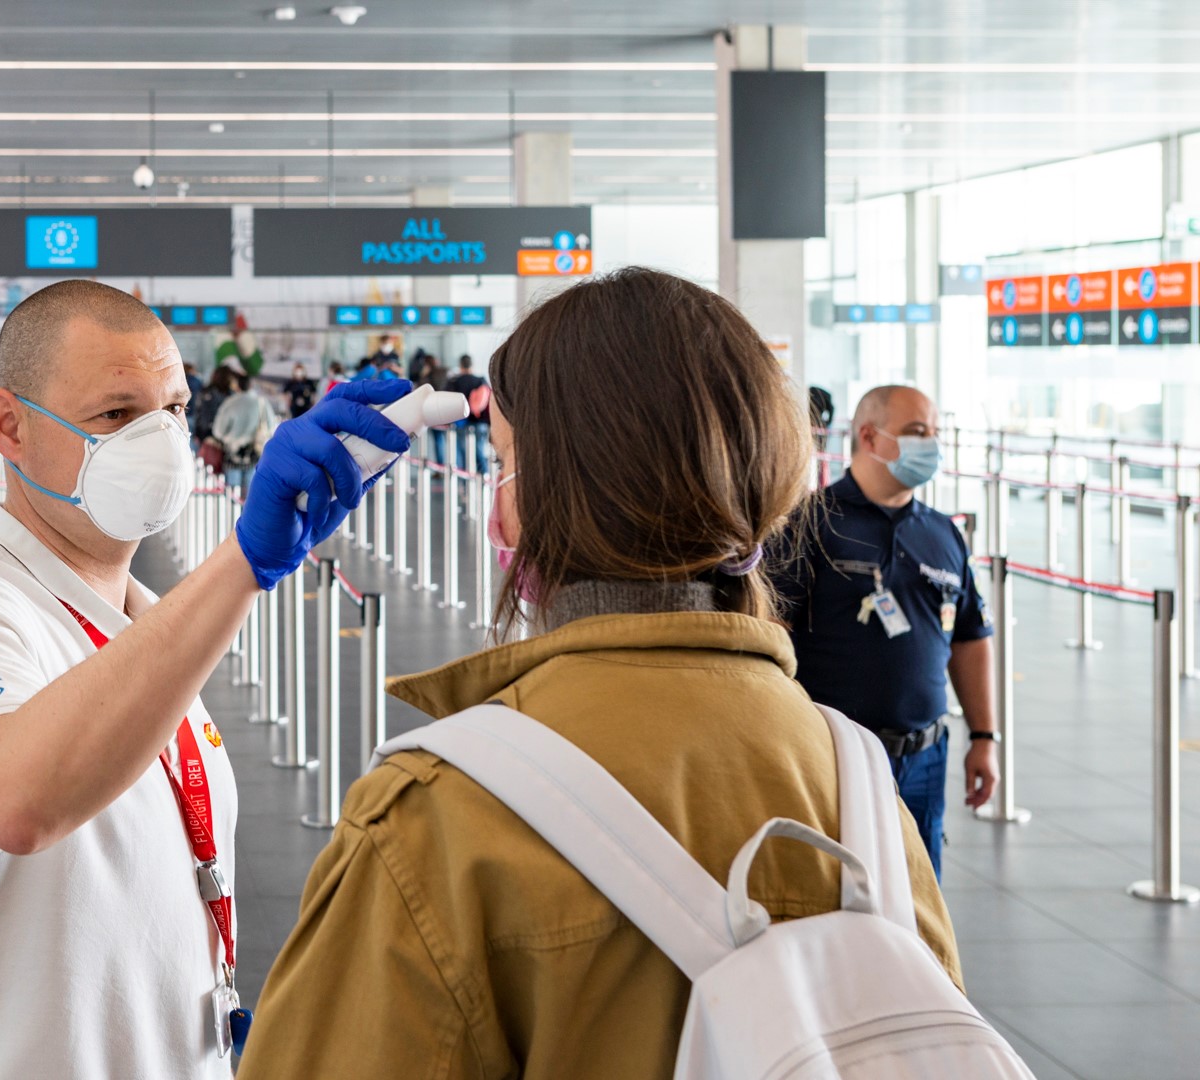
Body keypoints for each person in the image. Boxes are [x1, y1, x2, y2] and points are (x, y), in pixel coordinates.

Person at [242, 268, 959, 1079]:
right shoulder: (863, 795)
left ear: (543, 500)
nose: (498, 504)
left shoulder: (434, 823)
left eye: (507, 464)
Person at [0, 279, 413, 1080]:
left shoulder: (140, 628)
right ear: (10, 428)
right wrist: (241, 566)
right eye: (117, 416)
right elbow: (18, 799)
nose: (159, 442)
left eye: (175, 410)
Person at [772, 385, 997, 881]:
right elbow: (773, 635)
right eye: (918, 432)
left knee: (919, 899)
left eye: (935, 433)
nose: (931, 445)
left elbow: (969, 636)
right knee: (834, 894)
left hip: (925, 758)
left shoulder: (943, 533)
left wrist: (983, 736)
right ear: (869, 437)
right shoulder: (811, 521)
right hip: (836, 757)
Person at [212, 372, 273, 495]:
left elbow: (218, 431)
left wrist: (230, 438)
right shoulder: (261, 402)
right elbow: (271, 426)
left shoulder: (229, 403)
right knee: (253, 495)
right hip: (255, 453)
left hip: (233, 456)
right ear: (251, 386)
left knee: (232, 496)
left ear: (237, 386)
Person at [444, 354, 490, 474]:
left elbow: (448, 401)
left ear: (460, 365)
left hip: (461, 421)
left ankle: (465, 483)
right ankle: (484, 478)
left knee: (463, 452)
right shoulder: (480, 380)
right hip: (480, 421)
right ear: (471, 365)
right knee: (479, 450)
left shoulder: (454, 381)